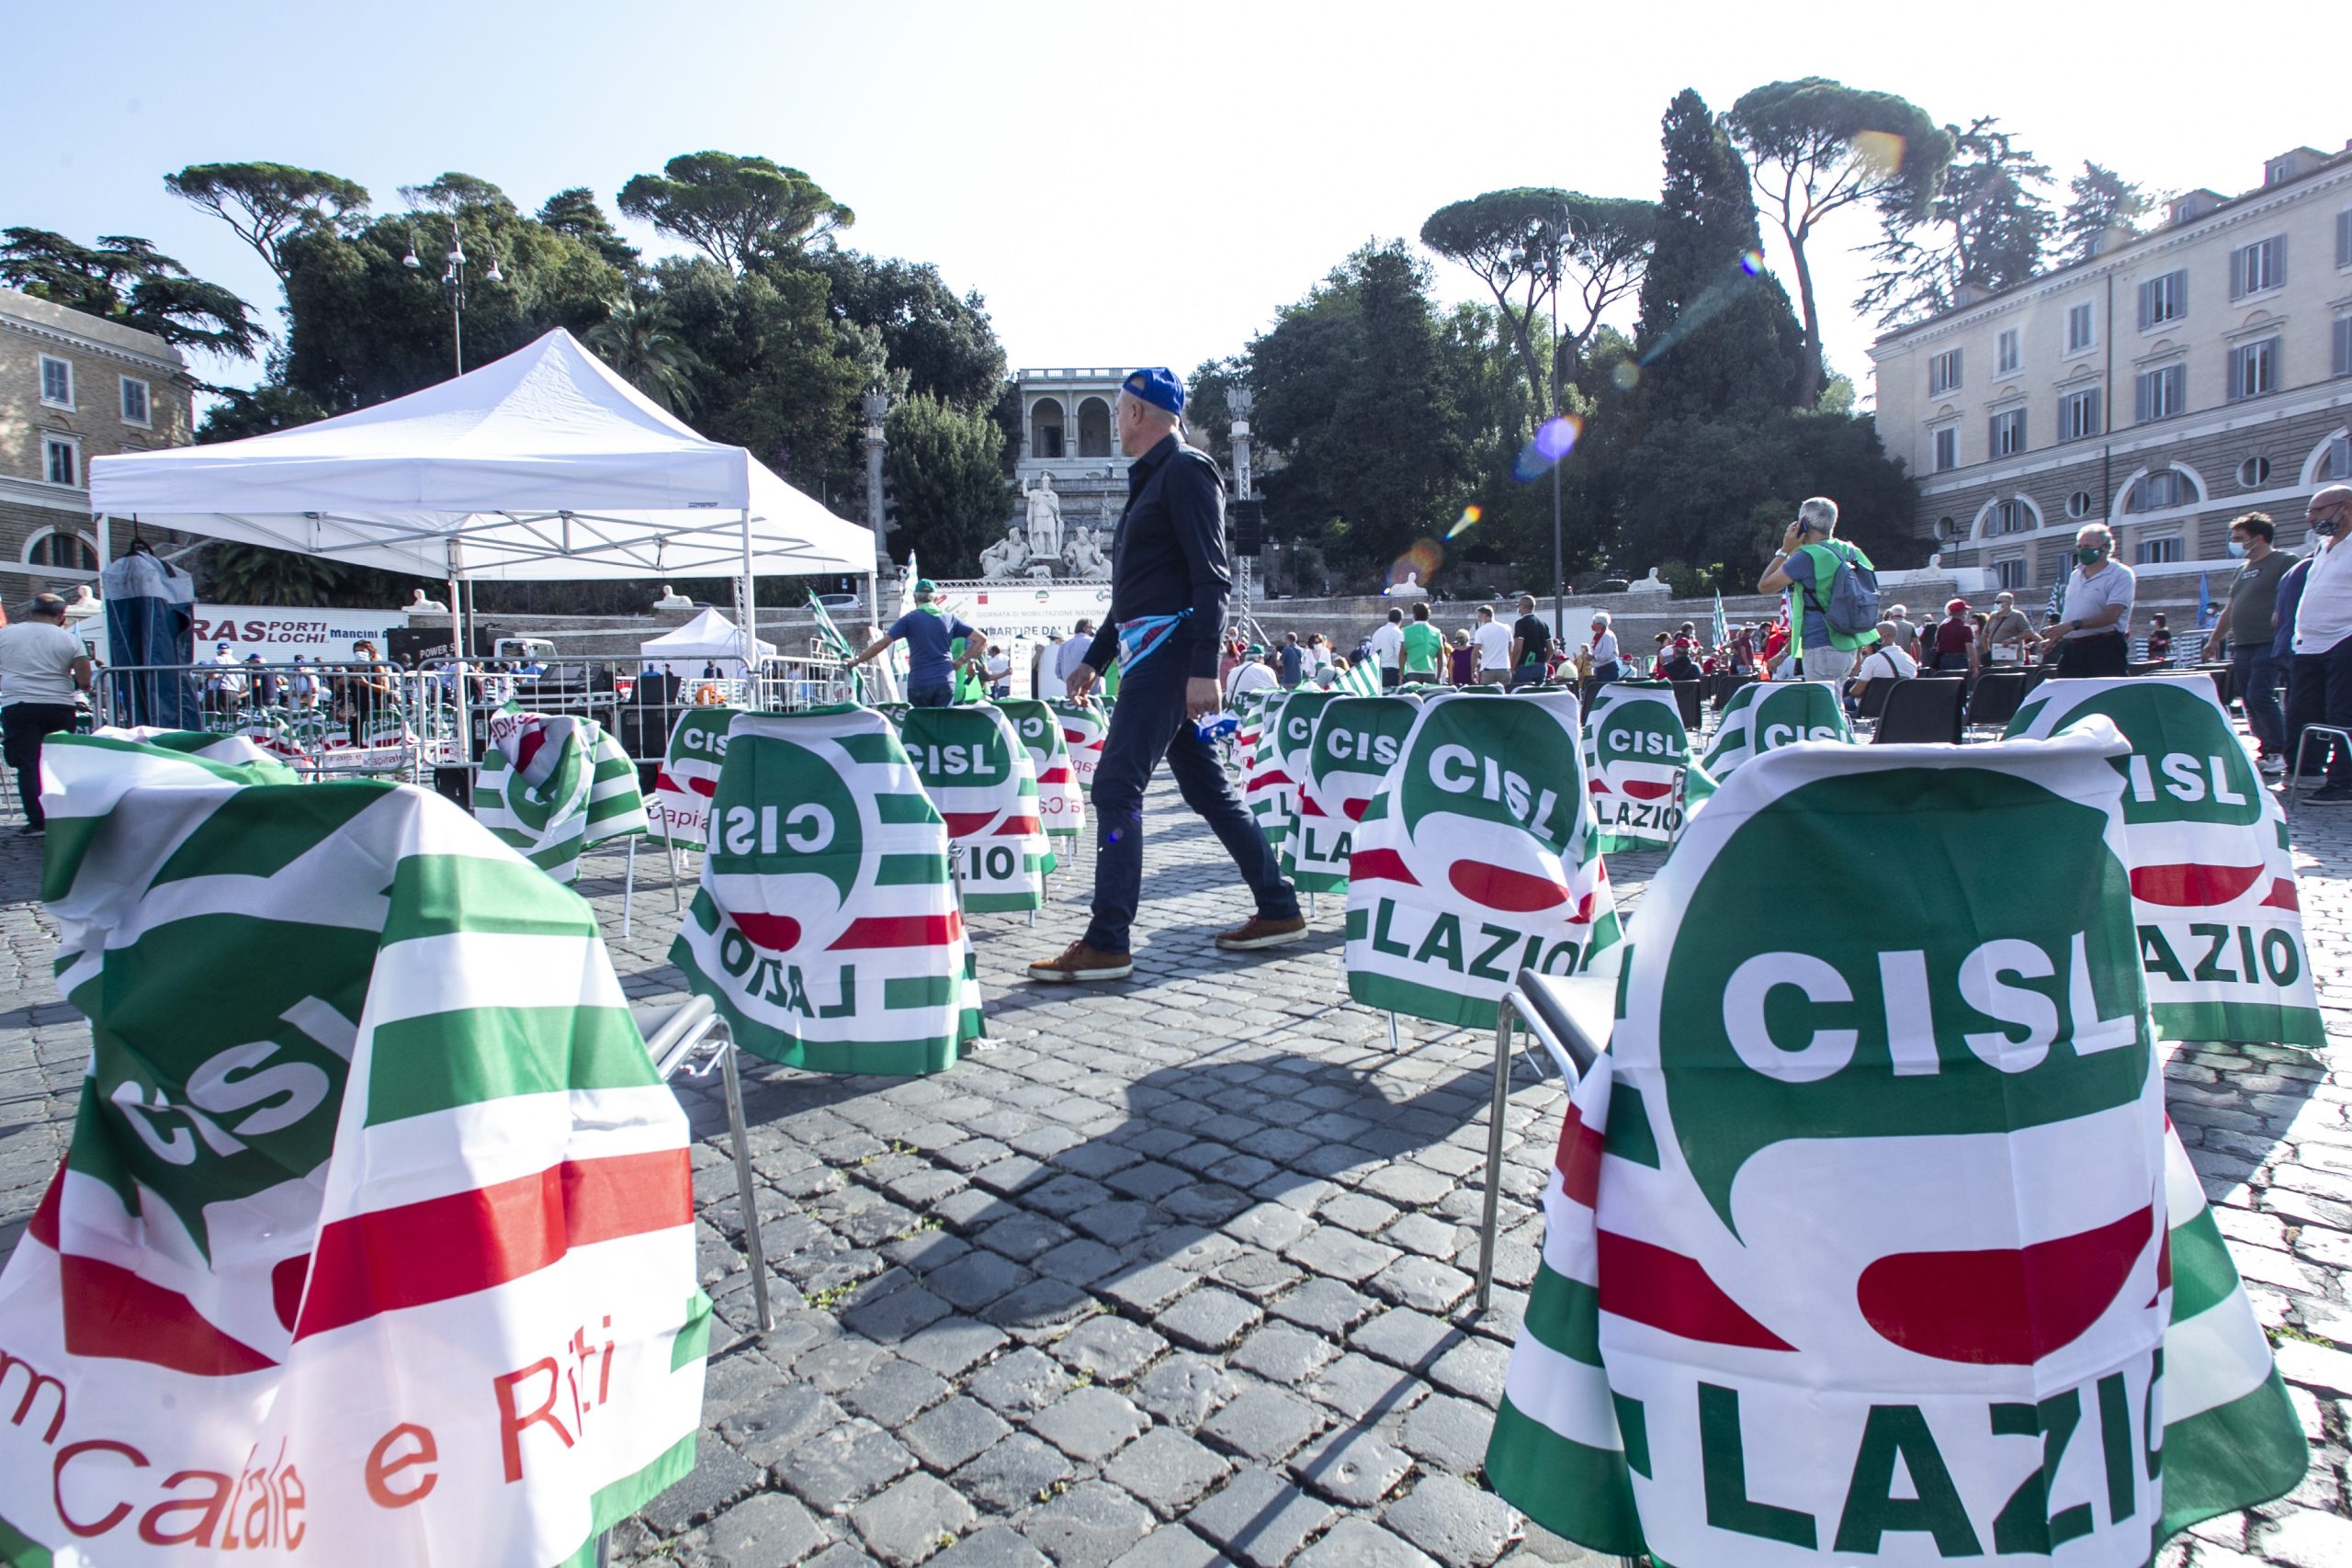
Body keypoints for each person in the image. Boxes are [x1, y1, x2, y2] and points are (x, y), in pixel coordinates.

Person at [1029, 367, 1302, 982]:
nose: (1117, 418)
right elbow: (1132, 591)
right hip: (1155, 654)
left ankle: (1108, 938)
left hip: (1170, 659)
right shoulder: (1155, 479)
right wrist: (1097, 657)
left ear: (1139, 413)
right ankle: (1279, 904)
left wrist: (1204, 669)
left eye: (1122, 408)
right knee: (1209, 790)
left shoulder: (1185, 470)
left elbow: (1212, 577)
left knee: (1116, 785)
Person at [2203, 512, 2292, 773]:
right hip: (2242, 643)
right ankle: (2266, 750)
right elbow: (2231, 608)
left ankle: (2278, 750)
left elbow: (2293, 593)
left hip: (2269, 641)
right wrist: (2214, 639)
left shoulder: (2284, 561)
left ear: (2259, 537)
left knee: (2260, 694)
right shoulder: (2242, 570)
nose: (2235, 543)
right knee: (2248, 699)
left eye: (2239, 538)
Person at [1758, 496, 1880, 685]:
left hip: (1820, 645)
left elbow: (1765, 586)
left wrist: (1785, 549)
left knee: (1822, 710)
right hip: (1848, 645)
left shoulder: (1808, 556)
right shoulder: (1852, 551)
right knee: (1834, 706)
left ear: (1803, 523)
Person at [0, 594, 92, 835]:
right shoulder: (71, 639)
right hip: (59, 705)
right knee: (59, 763)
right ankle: (65, 816)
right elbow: (84, 681)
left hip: (19, 704)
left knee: (29, 765)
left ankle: (38, 822)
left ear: (32, 612)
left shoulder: (5, 634)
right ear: (62, 616)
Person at [2286, 485, 2352, 803]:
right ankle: (2309, 770)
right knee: (2303, 711)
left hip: (2345, 638)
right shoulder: (2324, 547)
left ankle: (2344, 781)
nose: (2312, 518)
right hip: (2309, 643)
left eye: (2318, 511)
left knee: (2343, 713)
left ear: (2346, 508)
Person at [849, 578, 979, 707]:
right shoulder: (949, 619)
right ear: (935, 598)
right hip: (945, 680)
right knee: (942, 724)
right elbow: (981, 639)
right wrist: (961, 661)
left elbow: (881, 644)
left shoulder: (910, 619)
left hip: (920, 681)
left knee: (921, 724)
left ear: (915, 598)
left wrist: (856, 661)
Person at [2040, 523, 2136, 678]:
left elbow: (2112, 615)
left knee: (2105, 694)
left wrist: (2072, 626)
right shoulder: (2076, 574)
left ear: (2105, 548)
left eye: (2088, 546)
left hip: (2105, 646)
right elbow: (2071, 612)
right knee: (2068, 694)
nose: (2082, 550)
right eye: (2080, 546)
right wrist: (2055, 637)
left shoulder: (2120, 574)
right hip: (2074, 647)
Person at [1848, 620, 1917, 712]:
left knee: (1844, 701)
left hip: (1873, 707)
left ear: (1884, 637)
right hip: (1900, 706)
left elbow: (1857, 692)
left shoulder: (1872, 660)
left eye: (1873, 637)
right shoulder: (1910, 659)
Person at [1928, 599, 1979, 677]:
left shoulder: (1943, 627)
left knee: (1946, 685)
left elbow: (1937, 645)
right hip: (1960, 660)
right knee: (1961, 686)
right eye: (1965, 610)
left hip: (1943, 659)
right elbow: (1970, 649)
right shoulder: (1965, 628)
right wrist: (1975, 667)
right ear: (1962, 612)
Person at [1510, 596, 1555, 688]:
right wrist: (1543, 662)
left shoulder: (1521, 623)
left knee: (1522, 695)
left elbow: (1518, 647)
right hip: (1540, 666)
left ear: (1522, 607)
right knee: (1538, 695)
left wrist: (1512, 667)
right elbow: (1551, 648)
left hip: (1524, 665)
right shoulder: (1543, 624)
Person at [1983, 592, 2034, 666]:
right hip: (1995, 657)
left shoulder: (2017, 616)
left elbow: (2029, 632)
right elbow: (1985, 634)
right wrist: (1987, 650)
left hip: (2012, 659)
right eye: (1995, 602)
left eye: (1998, 602)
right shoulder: (1993, 616)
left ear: (2008, 603)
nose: (1996, 604)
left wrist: (2012, 639)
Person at [1400, 601, 1443, 682]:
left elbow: (1402, 654)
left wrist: (1401, 674)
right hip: (1430, 671)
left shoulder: (1405, 631)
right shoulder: (1437, 632)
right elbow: (1440, 656)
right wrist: (1438, 676)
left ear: (1414, 615)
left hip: (1412, 671)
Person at [1470, 605, 1511, 683]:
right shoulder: (1506, 628)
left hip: (1488, 669)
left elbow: (1475, 652)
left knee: (1487, 694)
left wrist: (1473, 671)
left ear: (1485, 615)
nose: (1478, 618)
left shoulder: (1480, 631)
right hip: (1504, 669)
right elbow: (1510, 650)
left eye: (1479, 615)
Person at [1057, 619, 1097, 698]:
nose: (1095, 631)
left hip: (1071, 689)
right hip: (1091, 689)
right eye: (1093, 628)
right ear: (1085, 628)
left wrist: (1070, 681)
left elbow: (1058, 671)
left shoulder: (1064, 645)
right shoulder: (1092, 642)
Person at [1370, 607, 1405, 690]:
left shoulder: (1377, 632)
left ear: (1388, 618)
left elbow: (1371, 654)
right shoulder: (1398, 633)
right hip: (1393, 671)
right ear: (1401, 620)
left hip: (1379, 671)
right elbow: (1399, 654)